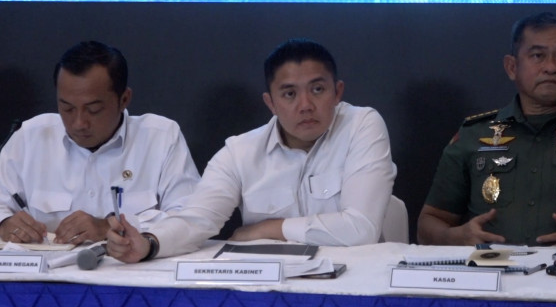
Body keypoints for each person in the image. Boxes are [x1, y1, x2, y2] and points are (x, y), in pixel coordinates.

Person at [107, 38, 397, 262]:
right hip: (269, 285)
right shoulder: (239, 152)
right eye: (290, 94)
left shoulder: (362, 125)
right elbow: (197, 220)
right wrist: (149, 244)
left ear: (338, 92)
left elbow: (361, 228)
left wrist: (268, 228)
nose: (306, 105)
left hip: (353, 284)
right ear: (271, 103)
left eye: (318, 90)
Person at [417, 11, 556, 247]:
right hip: (491, 268)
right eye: (537, 55)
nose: (551, 67)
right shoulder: (475, 134)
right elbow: (429, 222)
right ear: (512, 67)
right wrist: (454, 237)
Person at [0, 41, 200, 247]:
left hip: (130, 267)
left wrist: (110, 227)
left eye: (93, 110)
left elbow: (191, 219)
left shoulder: (160, 138)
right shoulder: (29, 137)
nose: (78, 123)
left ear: (124, 99)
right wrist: (4, 223)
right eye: (67, 108)